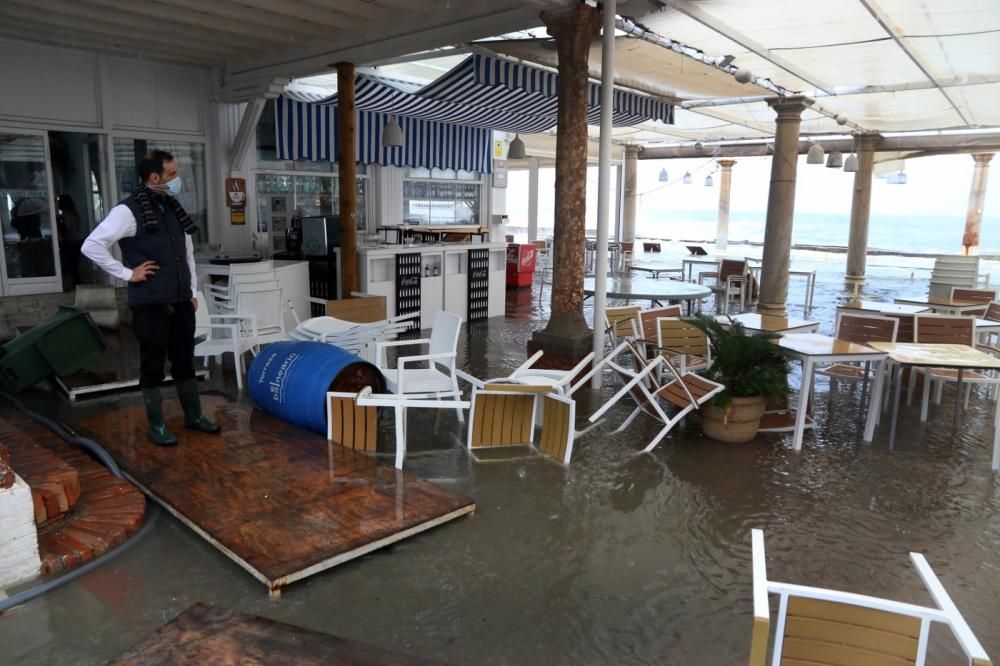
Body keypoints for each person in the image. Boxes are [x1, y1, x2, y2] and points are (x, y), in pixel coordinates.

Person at [82, 150, 219, 446]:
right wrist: (127, 273)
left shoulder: (173, 207)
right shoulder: (127, 211)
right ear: (154, 177)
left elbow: (188, 253)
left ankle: (193, 416)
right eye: (172, 174)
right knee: (152, 365)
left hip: (181, 301)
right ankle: (157, 426)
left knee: (185, 360)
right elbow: (91, 245)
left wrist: (192, 291)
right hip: (150, 304)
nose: (177, 179)